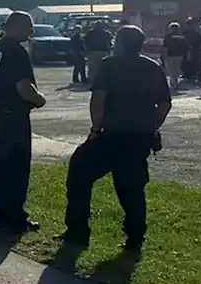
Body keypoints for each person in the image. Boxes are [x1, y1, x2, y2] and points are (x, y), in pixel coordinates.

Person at [59, 25, 171, 251]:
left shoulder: (109, 65)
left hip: (111, 136)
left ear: (119, 44)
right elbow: (165, 104)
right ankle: (135, 238)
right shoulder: (153, 67)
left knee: (79, 173)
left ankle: (78, 232)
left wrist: (95, 129)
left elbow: (98, 99)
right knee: (132, 188)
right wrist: (152, 125)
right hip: (139, 138)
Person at [0, 11, 46, 234]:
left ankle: (0, 216)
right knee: (17, 168)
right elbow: (23, 87)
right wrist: (40, 99)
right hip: (14, 117)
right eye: (29, 26)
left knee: (0, 166)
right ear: (17, 26)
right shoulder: (16, 51)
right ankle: (15, 218)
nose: (31, 31)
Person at [83, 20, 114, 85]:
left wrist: (86, 51)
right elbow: (110, 43)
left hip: (92, 52)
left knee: (92, 67)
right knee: (102, 68)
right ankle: (102, 81)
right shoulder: (107, 33)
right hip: (103, 52)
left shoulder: (89, 33)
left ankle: (91, 81)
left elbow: (85, 42)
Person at [161, 22, 186, 91]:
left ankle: (174, 84)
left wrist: (164, 56)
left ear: (171, 28)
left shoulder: (168, 37)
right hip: (180, 56)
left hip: (170, 55)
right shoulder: (182, 36)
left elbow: (166, 47)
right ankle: (175, 83)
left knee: (170, 71)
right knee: (176, 70)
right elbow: (185, 47)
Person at [181, 17, 201, 86]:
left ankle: (192, 76)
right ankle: (188, 76)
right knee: (187, 63)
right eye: (189, 24)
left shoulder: (197, 34)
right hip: (189, 51)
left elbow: (200, 42)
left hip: (194, 51)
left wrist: (191, 46)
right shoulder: (185, 33)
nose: (190, 26)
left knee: (193, 63)